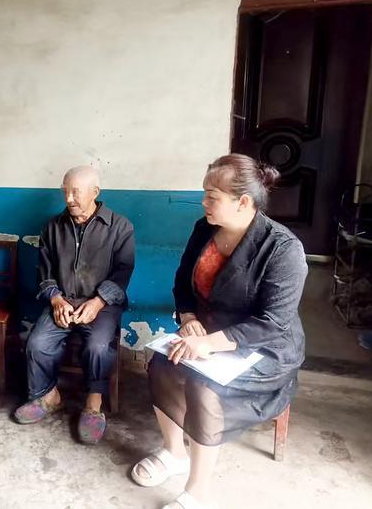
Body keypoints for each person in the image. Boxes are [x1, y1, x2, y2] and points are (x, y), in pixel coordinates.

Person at [131, 154, 307, 509]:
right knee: (162, 363)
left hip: (263, 349)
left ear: (243, 202)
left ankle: (198, 490)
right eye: (204, 194)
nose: (203, 203)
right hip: (207, 334)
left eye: (212, 196)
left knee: (204, 385)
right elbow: (182, 281)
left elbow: (273, 322)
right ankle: (174, 452)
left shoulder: (282, 249)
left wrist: (211, 343)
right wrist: (188, 318)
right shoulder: (204, 229)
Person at [13, 165, 135, 444]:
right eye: (65, 192)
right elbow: (44, 273)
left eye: (75, 192)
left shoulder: (120, 227)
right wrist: (56, 299)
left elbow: (123, 273)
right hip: (63, 301)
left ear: (95, 192)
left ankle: (93, 404)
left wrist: (98, 302)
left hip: (102, 304)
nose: (68, 199)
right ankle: (49, 396)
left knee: (98, 346)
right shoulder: (52, 227)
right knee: (37, 343)